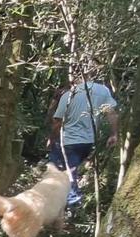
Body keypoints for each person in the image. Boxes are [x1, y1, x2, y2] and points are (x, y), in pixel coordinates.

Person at [48, 78, 119, 208]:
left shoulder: (69, 94)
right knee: (71, 171)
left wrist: (51, 139)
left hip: (69, 141)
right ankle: (65, 201)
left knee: (61, 170)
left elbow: (58, 122)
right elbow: (111, 113)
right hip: (88, 142)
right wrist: (114, 134)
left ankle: (71, 205)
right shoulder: (103, 91)